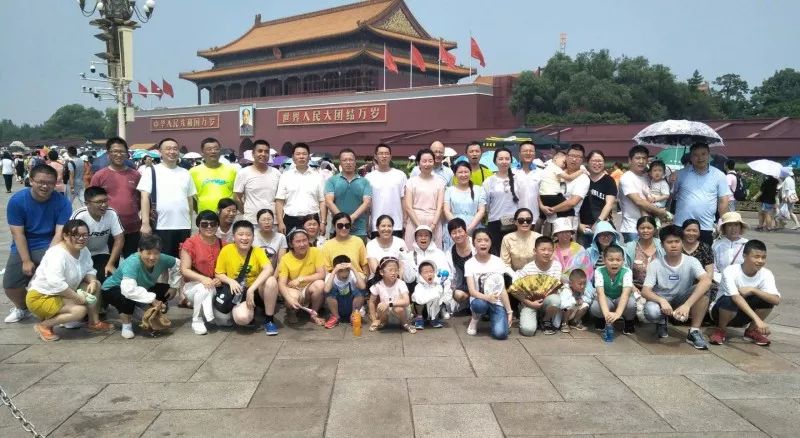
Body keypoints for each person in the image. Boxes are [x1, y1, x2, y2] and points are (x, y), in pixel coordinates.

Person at [24, 219, 114, 341]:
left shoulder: (84, 250)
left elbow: (89, 270)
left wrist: (92, 281)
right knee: (79, 311)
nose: (81, 239)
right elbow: (56, 283)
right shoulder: (57, 254)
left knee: (96, 284)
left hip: (63, 294)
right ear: (65, 236)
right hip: (41, 296)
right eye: (76, 235)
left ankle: (94, 323)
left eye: (85, 235)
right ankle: (44, 325)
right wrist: (77, 298)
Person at [4, 164, 72, 323]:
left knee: (60, 278)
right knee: (10, 285)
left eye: (50, 183)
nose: (45, 186)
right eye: (40, 182)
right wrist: (26, 261)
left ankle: (62, 310)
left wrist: (47, 261)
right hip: (24, 244)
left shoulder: (63, 202)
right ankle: (23, 308)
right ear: (31, 180)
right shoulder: (17, 201)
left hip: (51, 244)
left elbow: (59, 233)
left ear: (55, 183)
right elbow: (18, 233)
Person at [640, 225, 712, 349]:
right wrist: (661, 301)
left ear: (682, 243)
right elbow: (645, 291)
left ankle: (694, 331)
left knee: (704, 289)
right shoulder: (655, 264)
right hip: (661, 302)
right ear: (662, 245)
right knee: (652, 312)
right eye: (669, 242)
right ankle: (662, 321)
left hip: (682, 299)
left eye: (677, 241)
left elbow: (706, 281)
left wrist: (687, 305)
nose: (673, 245)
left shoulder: (691, 261)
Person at [101, 234, 182, 339]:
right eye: (148, 253)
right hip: (112, 289)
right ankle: (127, 325)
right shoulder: (133, 262)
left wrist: (174, 286)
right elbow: (128, 290)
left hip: (142, 287)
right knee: (126, 297)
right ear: (139, 251)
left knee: (165, 291)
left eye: (156, 253)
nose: (152, 257)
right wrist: (153, 300)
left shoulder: (162, 258)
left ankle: (139, 307)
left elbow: (178, 265)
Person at [709, 240, 780, 346]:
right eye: (756, 257)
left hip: (743, 314)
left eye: (763, 257)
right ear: (744, 256)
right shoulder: (731, 271)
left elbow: (776, 300)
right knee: (729, 299)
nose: (760, 261)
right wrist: (758, 320)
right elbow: (736, 297)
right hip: (720, 312)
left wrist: (753, 290)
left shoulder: (766, 274)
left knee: (768, 299)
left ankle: (751, 332)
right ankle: (720, 330)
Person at [214, 220, 280, 334]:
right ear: (234, 236)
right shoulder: (227, 250)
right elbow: (218, 273)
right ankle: (249, 312)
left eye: (248, 235)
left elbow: (269, 269)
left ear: (253, 237)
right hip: (238, 292)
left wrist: (252, 289)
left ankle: (269, 320)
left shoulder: (258, 251)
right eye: (240, 234)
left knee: (271, 281)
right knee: (242, 318)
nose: (244, 238)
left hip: (256, 291)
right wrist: (230, 281)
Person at [139, 138, 197, 258]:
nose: (172, 152)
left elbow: (189, 200)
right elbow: (144, 198)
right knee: (160, 262)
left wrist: (190, 224)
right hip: (160, 226)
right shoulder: (151, 171)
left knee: (181, 262)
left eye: (175, 149)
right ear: (160, 152)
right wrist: (145, 223)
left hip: (183, 226)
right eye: (168, 149)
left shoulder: (185, 173)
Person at [91, 137, 142, 257]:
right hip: (108, 230)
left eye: (122, 151)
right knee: (109, 264)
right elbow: (91, 202)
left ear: (127, 154)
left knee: (131, 263)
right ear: (108, 154)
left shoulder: (136, 175)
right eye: (115, 151)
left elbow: (142, 199)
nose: (119, 154)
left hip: (132, 228)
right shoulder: (99, 176)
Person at [673, 143, 731, 246]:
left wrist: (723, 222)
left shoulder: (719, 175)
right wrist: (670, 182)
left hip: (705, 226)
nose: (700, 158)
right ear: (691, 157)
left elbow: (723, 201)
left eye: (703, 154)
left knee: (705, 254)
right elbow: (671, 194)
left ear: (709, 155)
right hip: (681, 224)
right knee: (679, 254)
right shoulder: (680, 174)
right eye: (695, 155)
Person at [464, 229, 514, 339]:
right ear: (474, 243)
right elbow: (472, 291)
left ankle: (493, 317)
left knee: (501, 334)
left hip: (496, 302)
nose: (483, 243)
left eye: (486, 240)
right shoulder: (469, 263)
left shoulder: (498, 261)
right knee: (479, 305)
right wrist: (487, 298)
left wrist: (509, 311)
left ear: (491, 242)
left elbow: (502, 289)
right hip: (479, 300)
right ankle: (475, 318)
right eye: (479, 240)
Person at [179, 210, 223, 335]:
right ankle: (198, 319)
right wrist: (202, 279)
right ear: (198, 225)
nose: (209, 227)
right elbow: (184, 269)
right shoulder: (190, 243)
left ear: (217, 225)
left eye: (213, 224)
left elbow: (226, 269)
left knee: (225, 320)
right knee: (204, 288)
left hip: (216, 285)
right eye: (204, 224)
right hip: (193, 285)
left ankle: (208, 316)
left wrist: (220, 279)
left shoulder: (222, 243)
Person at [69, 186, 124, 285]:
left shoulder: (112, 213)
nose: (104, 205)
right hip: (80, 255)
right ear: (87, 204)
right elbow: (69, 241)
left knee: (109, 280)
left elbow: (119, 239)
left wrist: (110, 264)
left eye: (105, 201)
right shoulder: (79, 216)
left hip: (101, 253)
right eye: (99, 202)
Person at [618, 146, 668, 242]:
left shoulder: (647, 177)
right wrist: (659, 212)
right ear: (630, 160)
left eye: (644, 158)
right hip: (632, 228)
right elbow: (639, 201)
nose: (641, 161)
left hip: (649, 226)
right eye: (638, 158)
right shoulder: (627, 178)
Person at [277, 229, 326, 325]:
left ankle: (314, 314)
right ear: (291, 244)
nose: (302, 244)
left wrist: (301, 279)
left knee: (320, 284)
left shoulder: (316, 252)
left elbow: (321, 274)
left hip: (309, 288)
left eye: (304, 240)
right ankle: (291, 312)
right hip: (294, 289)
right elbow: (281, 283)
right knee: (292, 296)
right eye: (298, 241)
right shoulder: (285, 259)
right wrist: (289, 298)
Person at [516, 236, 564, 335]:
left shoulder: (556, 265)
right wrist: (529, 303)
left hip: (546, 300)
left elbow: (554, 288)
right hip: (530, 303)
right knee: (528, 331)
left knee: (555, 300)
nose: (546, 253)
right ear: (535, 251)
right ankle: (528, 314)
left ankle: (546, 320)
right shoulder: (527, 268)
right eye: (543, 249)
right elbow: (517, 290)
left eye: (550, 250)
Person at [275, 143, 326, 234]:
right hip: (291, 220)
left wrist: (323, 222)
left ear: (309, 157)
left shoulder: (318, 177)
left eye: (304, 154)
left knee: (313, 243)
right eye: (298, 154)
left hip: (312, 221)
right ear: (293, 157)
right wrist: (280, 223)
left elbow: (322, 201)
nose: (301, 156)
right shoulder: (285, 176)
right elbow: (279, 201)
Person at [324, 148, 372, 241]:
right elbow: (329, 201)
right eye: (344, 160)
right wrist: (343, 219)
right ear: (340, 163)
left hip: (359, 230)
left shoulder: (364, 182)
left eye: (351, 160)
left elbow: (367, 202)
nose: (348, 162)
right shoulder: (332, 181)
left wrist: (352, 217)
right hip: (337, 228)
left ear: (355, 162)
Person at [541, 144, 590, 234]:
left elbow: (572, 202)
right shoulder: (558, 172)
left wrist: (551, 210)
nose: (574, 159)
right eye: (572, 156)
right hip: (549, 222)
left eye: (578, 157)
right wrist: (542, 207)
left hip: (567, 225)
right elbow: (541, 189)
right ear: (566, 157)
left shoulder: (583, 178)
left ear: (582, 160)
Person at [403, 148, 445, 249]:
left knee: (434, 252)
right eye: (424, 161)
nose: (427, 164)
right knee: (412, 252)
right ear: (418, 163)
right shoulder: (411, 182)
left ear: (434, 162)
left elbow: (440, 207)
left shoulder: (440, 182)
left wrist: (433, 225)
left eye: (430, 161)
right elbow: (408, 207)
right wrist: (420, 227)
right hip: (414, 221)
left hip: (434, 222)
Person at [590, 245, 636, 335]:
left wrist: (618, 314)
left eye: (618, 260)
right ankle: (601, 319)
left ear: (623, 261)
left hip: (620, 298)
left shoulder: (627, 272)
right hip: (607, 298)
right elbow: (600, 294)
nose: (615, 263)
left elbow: (625, 294)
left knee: (631, 303)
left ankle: (629, 321)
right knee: (595, 307)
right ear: (604, 260)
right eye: (611, 260)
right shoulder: (599, 271)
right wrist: (606, 315)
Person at [234, 140, 282, 225]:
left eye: (266, 152)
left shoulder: (276, 173)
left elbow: (280, 199)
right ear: (253, 154)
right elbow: (237, 197)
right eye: (260, 151)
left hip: (272, 221)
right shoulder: (243, 173)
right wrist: (246, 211)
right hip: (251, 221)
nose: (263, 154)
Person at [365, 144, 407, 238]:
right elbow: (367, 203)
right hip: (377, 225)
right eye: (381, 153)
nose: (384, 156)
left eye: (387, 153)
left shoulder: (400, 175)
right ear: (375, 156)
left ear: (390, 156)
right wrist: (367, 223)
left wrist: (405, 221)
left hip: (397, 224)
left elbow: (404, 199)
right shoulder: (369, 177)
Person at [443, 161, 486, 250]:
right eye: (460, 172)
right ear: (455, 175)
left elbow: (481, 210)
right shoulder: (449, 190)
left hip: (474, 226)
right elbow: (446, 210)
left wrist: (469, 229)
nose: (463, 175)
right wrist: (457, 228)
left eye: (466, 172)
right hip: (454, 228)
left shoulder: (479, 190)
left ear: (470, 173)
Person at [483, 147, 519, 254]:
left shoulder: (518, 179)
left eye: (507, 159)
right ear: (495, 161)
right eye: (501, 159)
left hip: (515, 222)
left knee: (513, 253)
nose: (504, 161)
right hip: (495, 222)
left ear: (511, 161)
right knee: (496, 254)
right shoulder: (489, 181)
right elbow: (486, 205)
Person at [579, 150, 617, 247]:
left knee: (607, 254)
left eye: (600, 161)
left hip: (603, 227)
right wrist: (578, 224)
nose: (597, 163)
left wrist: (598, 223)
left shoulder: (609, 180)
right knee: (585, 255)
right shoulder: (581, 179)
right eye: (594, 161)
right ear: (588, 162)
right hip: (584, 227)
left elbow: (609, 204)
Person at [368, 256, 416, 334]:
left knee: (398, 308)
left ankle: (405, 324)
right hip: (387, 314)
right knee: (380, 305)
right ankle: (382, 322)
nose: (393, 273)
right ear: (381, 272)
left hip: (401, 314)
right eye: (390, 270)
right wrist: (374, 319)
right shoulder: (378, 285)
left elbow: (406, 301)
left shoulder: (401, 283)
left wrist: (389, 303)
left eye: (396, 270)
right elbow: (371, 302)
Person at [190, 138, 237, 214]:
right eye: (209, 149)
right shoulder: (193, 172)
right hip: (205, 215)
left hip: (227, 214)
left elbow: (236, 195)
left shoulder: (232, 171)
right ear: (202, 152)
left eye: (216, 149)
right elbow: (191, 197)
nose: (213, 151)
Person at [537, 149, 586, 219]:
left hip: (543, 196)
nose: (564, 165)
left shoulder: (548, 167)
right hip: (552, 195)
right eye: (564, 162)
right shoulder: (555, 168)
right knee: (571, 212)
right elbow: (569, 177)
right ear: (556, 158)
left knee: (544, 217)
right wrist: (581, 171)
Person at [323, 254, 367, 328]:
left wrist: (353, 269)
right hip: (337, 307)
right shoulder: (330, 276)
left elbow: (363, 287)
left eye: (347, 270)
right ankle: (335, 317)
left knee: (360, 289)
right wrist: (334, 271)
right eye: (340, 271)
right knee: (329, 290)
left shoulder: (352, 274)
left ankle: (354, 316)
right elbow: (326, 290)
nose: (344, 273)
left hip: (351, 306)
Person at [623, 216, 665, 291]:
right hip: (635, 288)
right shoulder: (629, 247)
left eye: (649, 228)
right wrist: (634, 289)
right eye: (642, 228)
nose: (645, 230)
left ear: (655, 229)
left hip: (658, 289)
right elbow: (624, 271)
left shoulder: (662, 245)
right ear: (637, 229)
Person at [443, 218, 475, 314]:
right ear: (450, 235)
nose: (457, 235)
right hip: (465, 283)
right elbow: (450, 274)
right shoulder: (450, 252)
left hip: (480, 279)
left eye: (460, 231)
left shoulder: (475, 243)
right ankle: (470, 302)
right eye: (454, 233)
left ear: (465, 231)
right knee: (458, 294)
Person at [412, 260, 451, 329]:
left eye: (431, 271)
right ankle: (419, 319)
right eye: (425, 272)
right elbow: (420, 300)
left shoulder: (438, 284)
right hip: (423, 311)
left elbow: (446, 299)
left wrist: (446, 287)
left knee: (439, 300)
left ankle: (434, 319)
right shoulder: (419, 286)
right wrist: (434, 295)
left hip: (434, 310)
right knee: (418, 302)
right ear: (420, 274)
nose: (429, 274)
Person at [712, 212, 749, 282]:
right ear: (724, 228)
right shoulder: (716, 245)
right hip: (721, 282)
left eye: (736, 225)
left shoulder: (747, 244)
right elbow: (713, 268)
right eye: (729, 225)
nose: (733, 228)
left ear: (740, 227)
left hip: (743, 282)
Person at [514, 141, 542, 225]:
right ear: (519, 154)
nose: (528, 153)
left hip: (535, 218)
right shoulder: (512, 173)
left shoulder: (541, 173)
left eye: (531, 151)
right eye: (525, 151)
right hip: (516, 219)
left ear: (535, 154)